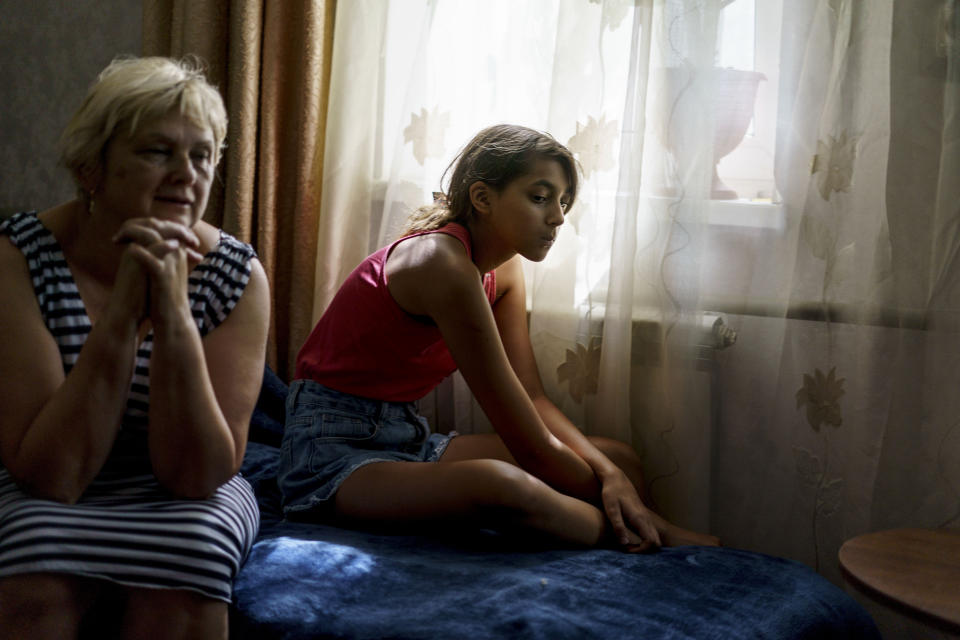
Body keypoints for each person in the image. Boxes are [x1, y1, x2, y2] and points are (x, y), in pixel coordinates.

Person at [279, 124, 718, 552]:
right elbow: (529, 445)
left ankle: (636, 527)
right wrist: (626, 498)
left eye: (563, 202)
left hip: (406, 436)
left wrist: (610, 474)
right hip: (331, 450)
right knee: (501, 485)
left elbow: (533, 397)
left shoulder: (503, 270)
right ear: (483, 198)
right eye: (540, 197)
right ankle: (652, 535)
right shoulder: (443, 265)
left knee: (619, 458)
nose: (558, 217)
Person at [0, 56, 270, 639]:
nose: (186, 173)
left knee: (190, 560)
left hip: (188, 492)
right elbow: (51, 475)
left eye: (202, 155)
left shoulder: (236, 275)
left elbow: (196, 476)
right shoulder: (19, 257)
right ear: (92, 168)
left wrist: (172, 313)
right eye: (157, 151)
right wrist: (123, 313)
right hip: (44, 484)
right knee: (33, 562)